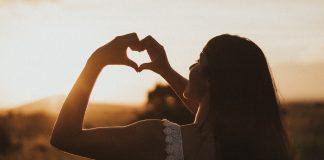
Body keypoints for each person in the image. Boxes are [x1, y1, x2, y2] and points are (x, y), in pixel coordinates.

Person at [50, 33, 293, 160]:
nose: (191, 65)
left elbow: (65, 137)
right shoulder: (261, 145)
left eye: (200, 60)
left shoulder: (157, 140)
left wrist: (97, 60)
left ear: (211, 80)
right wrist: (165, 69)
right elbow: (214, 111)